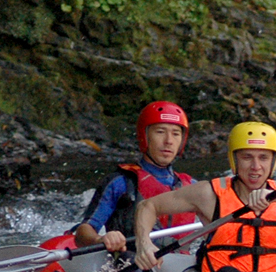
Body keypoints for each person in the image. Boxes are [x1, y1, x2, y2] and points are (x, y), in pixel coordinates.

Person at [133, 121, 276, 272]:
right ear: (234, 160)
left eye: (263, 158)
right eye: (247, 157)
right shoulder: (209, 194)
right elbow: (147, 206)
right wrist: (144, 244)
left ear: (273, 161)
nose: (256, 166)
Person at [74, 101, 196, 253]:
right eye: (160, 132)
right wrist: (100, 239)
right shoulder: (121, 182)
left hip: (177, 269)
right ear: (144, 136)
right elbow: (83, 233)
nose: (169, 141)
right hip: (130, 264)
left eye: (176, 134)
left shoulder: (193, 188)